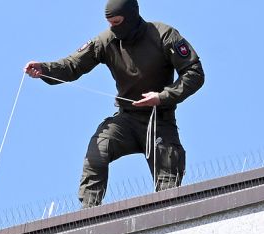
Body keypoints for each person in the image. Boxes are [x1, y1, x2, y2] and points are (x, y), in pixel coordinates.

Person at [24, 0, 204, 208]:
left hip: (160, 121)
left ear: (131, 17)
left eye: (117, 22)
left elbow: (194, 73)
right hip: (126, 119)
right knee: (97, 150)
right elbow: (72, 65)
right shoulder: (106, 41)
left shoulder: (164, 35)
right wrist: (44, 69)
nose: (112, 28)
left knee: (169, 186)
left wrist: (162, 96)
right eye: (109, 23)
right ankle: (88, 214)